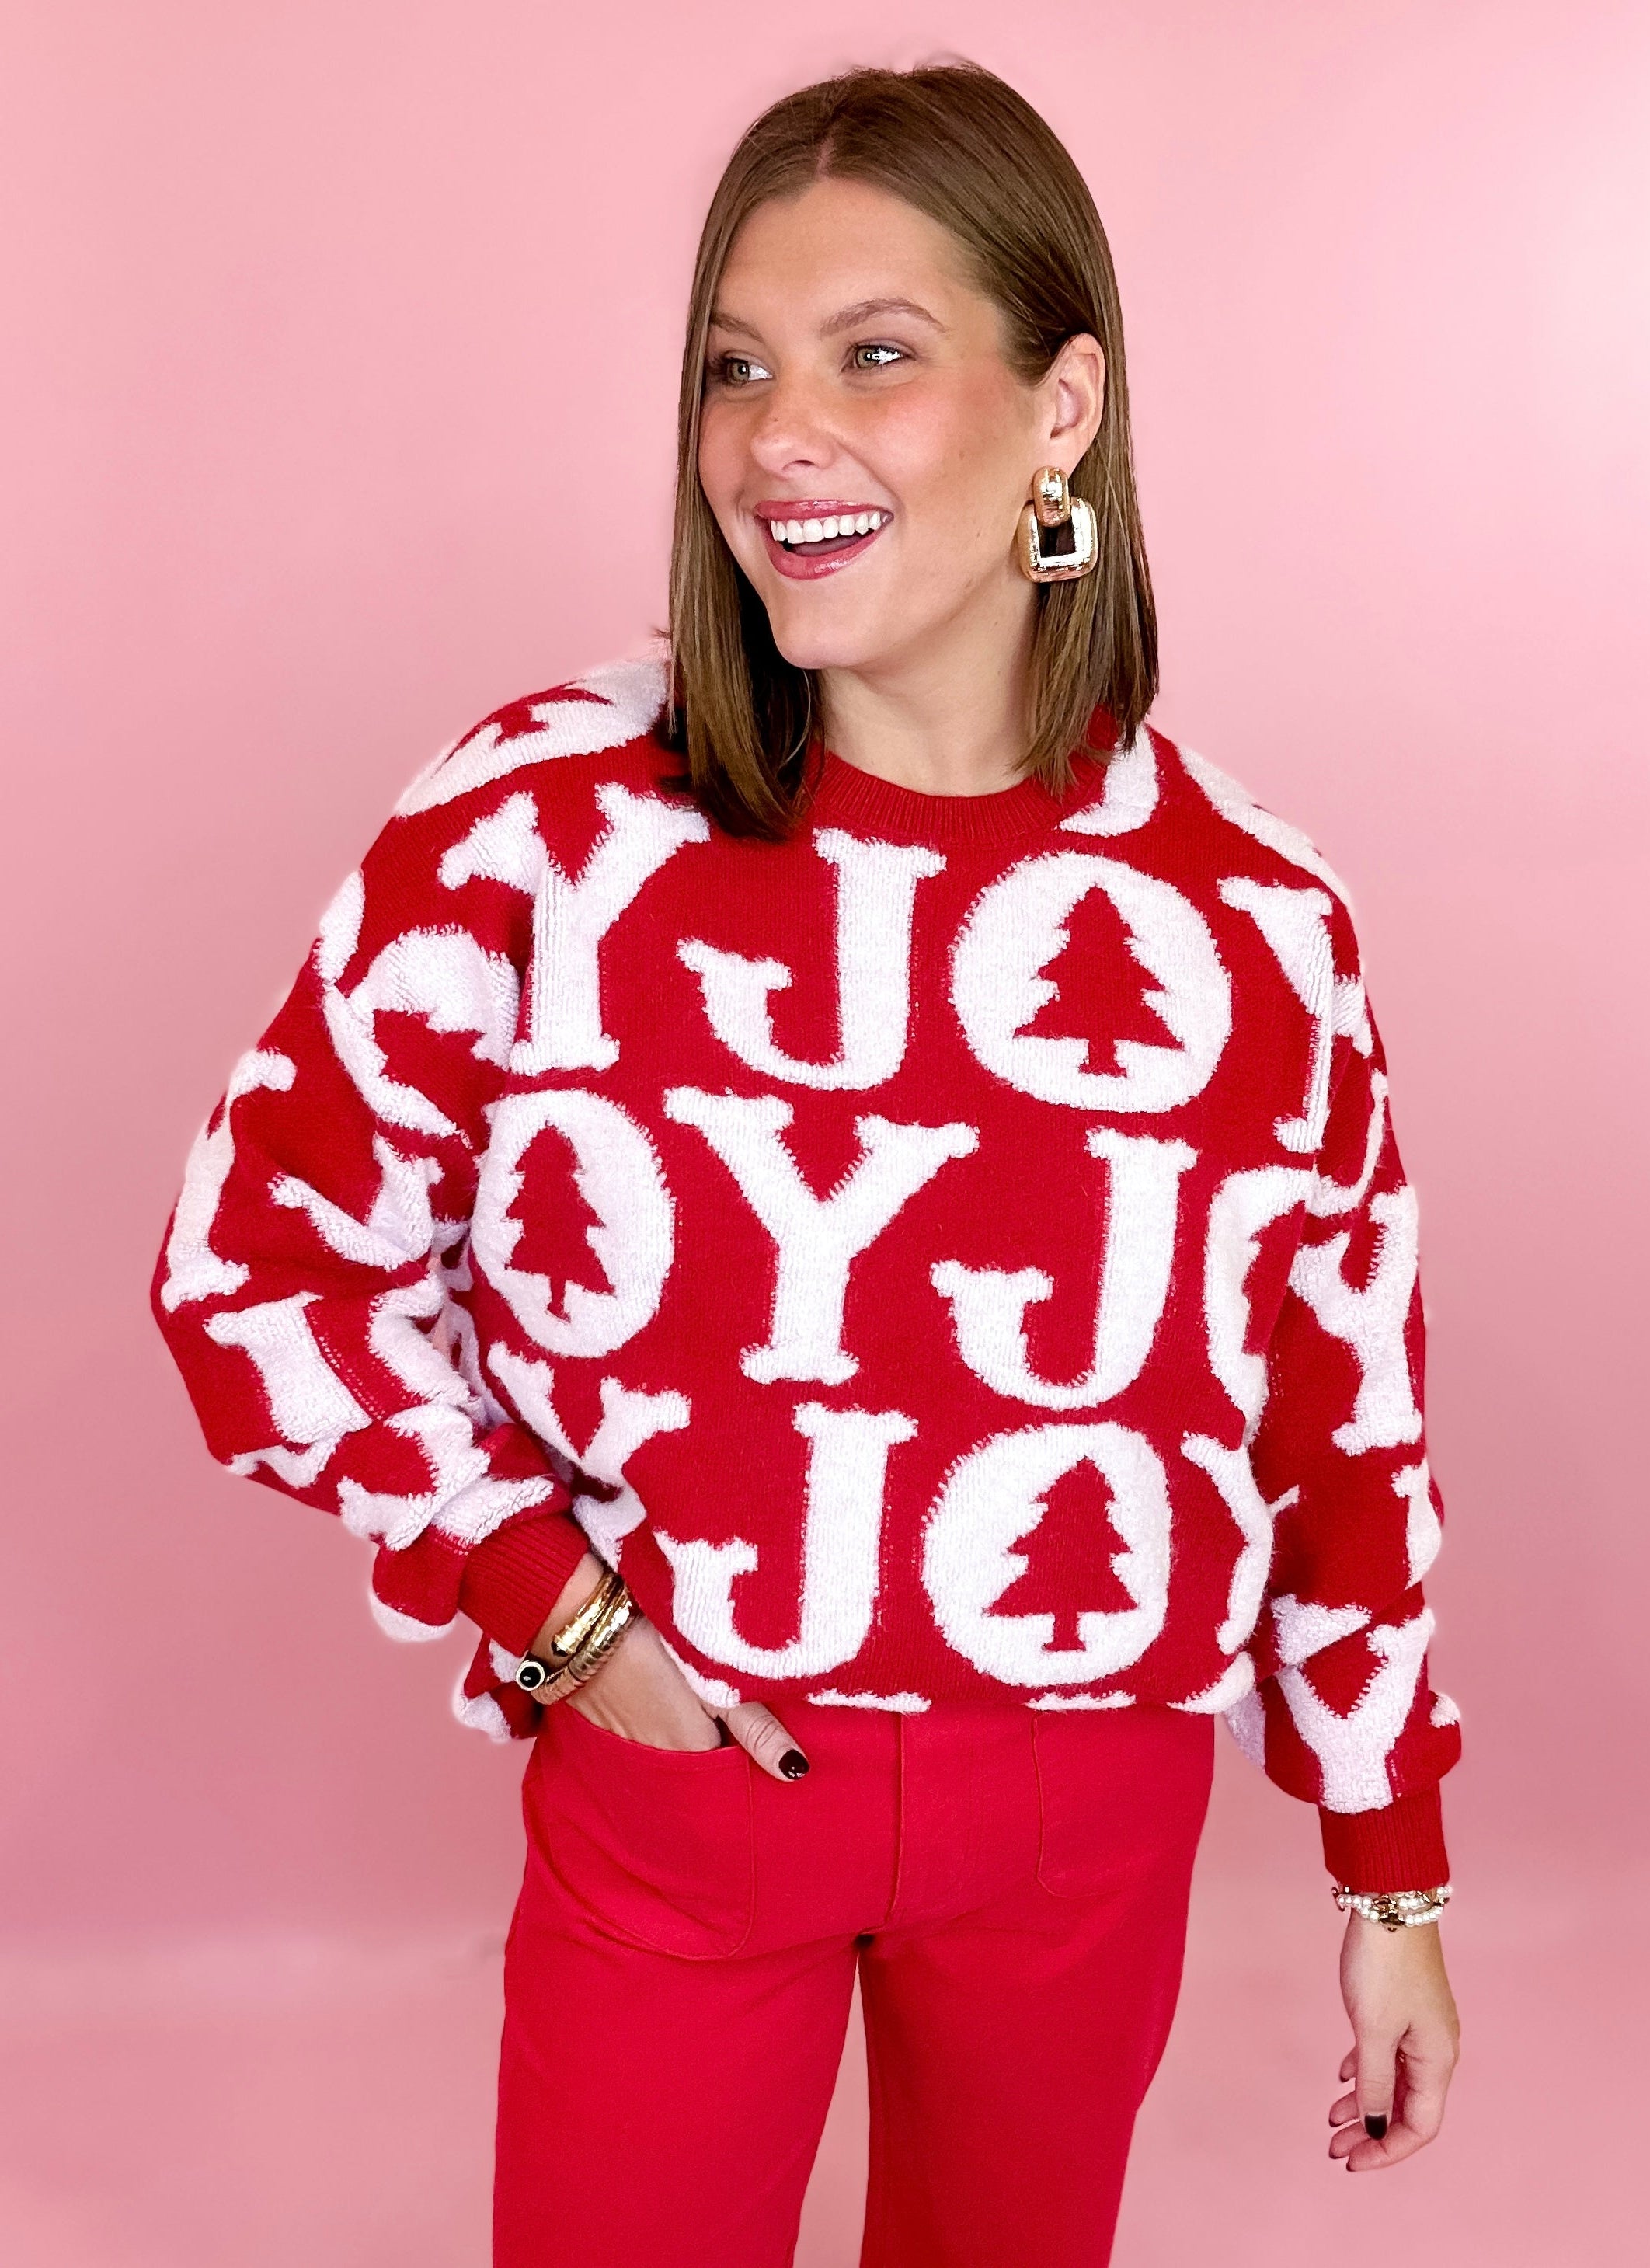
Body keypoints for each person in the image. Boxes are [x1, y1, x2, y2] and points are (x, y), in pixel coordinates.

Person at [152, 61, 1461, 2268]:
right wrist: (556, 1615)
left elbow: (1345, 1423)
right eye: (737, 368)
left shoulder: (1255, 920)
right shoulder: (543, 825)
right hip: (682, 1783)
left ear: (1062, 410)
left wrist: (1392, 1877)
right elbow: (258, 1270)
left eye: (875, 355)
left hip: (1087, 1830)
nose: (780, 438)